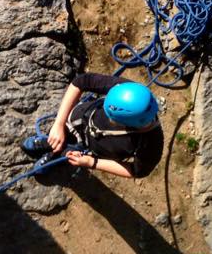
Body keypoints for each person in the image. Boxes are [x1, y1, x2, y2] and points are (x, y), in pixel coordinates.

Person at [23, 73, 163, 179]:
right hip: (80, 120)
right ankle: (52, 140)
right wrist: (59, 124)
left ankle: (59, 153)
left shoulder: (152, 144)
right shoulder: (126, 90)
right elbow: (82, 81)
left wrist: (92, 162)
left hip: (92, 150)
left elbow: (137, 171)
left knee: (72, 153)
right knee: (63, 133)